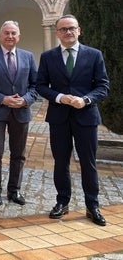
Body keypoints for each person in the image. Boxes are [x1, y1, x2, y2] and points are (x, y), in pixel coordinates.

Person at [36, 14, 109, 226]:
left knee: (89, 162)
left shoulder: (94, 55)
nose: (68, 32)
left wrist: (85, 99)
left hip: (85, 116)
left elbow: (103, 86)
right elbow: (40, 85)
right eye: (63, 29)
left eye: (72, 28)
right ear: (57, 33)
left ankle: (92, 205)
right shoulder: (48, 57)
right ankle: (62, 202)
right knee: (60, 162)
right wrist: (59, 97)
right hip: (59, 117)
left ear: (79, 30)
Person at [0, 20, 38, 206]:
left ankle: (14, 190)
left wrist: (25, 100)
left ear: (19, 36)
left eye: (13, 33)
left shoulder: (28, 57)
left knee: (18, 154)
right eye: (6, 33)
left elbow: (35, 85)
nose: (10, 36)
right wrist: (2, 99)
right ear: (0, 36)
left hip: (21, 112)